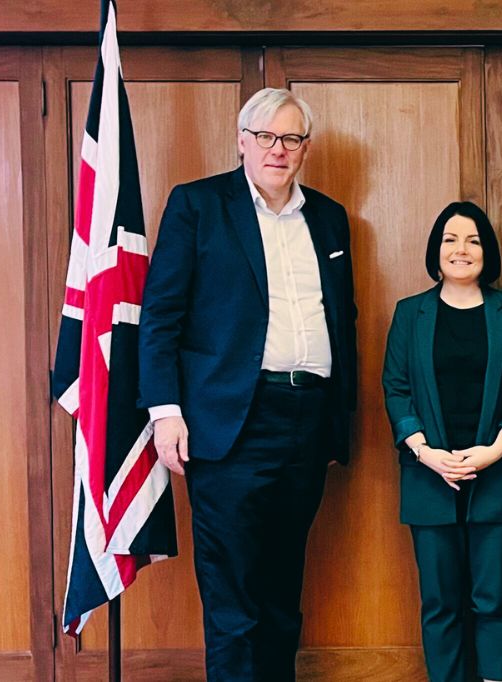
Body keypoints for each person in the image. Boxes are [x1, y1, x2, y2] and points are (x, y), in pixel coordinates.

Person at [138, 87, 357, 681]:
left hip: (307, 420)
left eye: (290, 138)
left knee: (283, 590)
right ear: (241, 142)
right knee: (233, 596)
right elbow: (160, 317)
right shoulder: (198, 206)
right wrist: (166, 412)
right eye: (265, 137)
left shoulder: (330, 216)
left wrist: (338, 421)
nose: (277, 150)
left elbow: (344, 318)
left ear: (304, 148)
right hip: (229, 424)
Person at [382, 201, 502, 682]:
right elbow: (396, 388)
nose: (461, 249)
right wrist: (426, 453)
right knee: (440, 601)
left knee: (493, 598)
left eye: (472, 240)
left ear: (486, 252)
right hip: (429, 477)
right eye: (450, 239)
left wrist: (494, 450)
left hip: (499, 476)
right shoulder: (411, 313)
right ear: (436, 251)